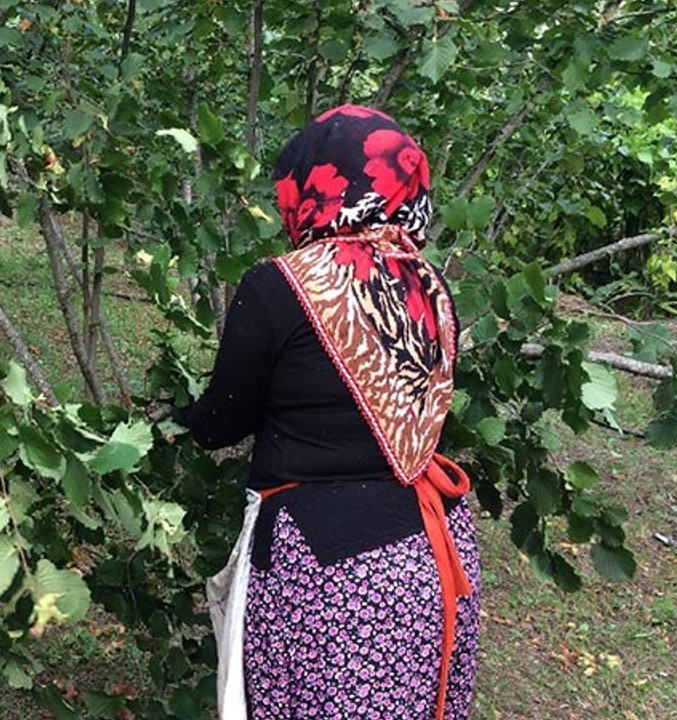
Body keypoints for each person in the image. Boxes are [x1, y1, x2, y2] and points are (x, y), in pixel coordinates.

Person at [178, 105, 481, 720]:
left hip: (330, 569)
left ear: (312, 186)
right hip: (430, 552)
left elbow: (222, 422)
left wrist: (173, 416)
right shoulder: (429, 283)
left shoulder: (282, 285)